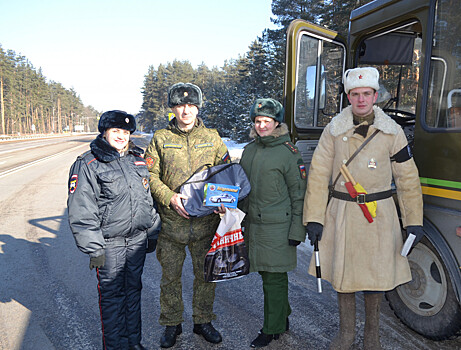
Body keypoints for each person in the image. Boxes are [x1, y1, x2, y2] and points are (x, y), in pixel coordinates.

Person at [303, 67, 424, 350]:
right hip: (343, 214)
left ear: (375, 95)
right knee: (345, 278)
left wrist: (413, 220)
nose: (361, 100)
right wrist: (314, 218)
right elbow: (319, 175)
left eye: (366, 94)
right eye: (355, 94)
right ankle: (346, 335)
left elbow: (407, 178)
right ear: (348, 96)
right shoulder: (333, 130)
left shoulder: (392, 132)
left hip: (379, 216)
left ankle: (373, 337)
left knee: (377, 277)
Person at [144, 82, 230, 348]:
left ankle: (203, 321)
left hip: (206, 224)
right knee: (170, 277)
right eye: (180, 105)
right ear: (172, 108)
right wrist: (168, 197)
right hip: (171, 225)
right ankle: (171, 324)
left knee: (206, 275)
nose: (186, 110)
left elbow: (225, 172)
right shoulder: (160, 139)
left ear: (197, 107)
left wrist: (222, 200)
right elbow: (150, 175)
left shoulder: (213, 138)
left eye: (191, 105)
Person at [67, 110, 161, 350]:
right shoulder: (88, 163)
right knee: (112, 298)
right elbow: (82, 210)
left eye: (126, 132)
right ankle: (115, 346)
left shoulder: (137, 160)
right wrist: (93, 248)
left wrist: (152, 231)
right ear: (105, 132)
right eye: (116, 131)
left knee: (133, 293)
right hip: (110, 244)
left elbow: (146, 199)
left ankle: (133, 342)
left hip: (137, 241)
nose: (121, 136)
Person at [239, 98, 307, 348]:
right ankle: (282, 315)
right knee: (269, 274)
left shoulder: (288, 153)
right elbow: (241, 188)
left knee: (273, 279)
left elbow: (299, 193)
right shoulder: (249, 150)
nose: (261, 126)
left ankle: (271, 328)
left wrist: (298, 229)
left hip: (279, 226)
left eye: (267, 121)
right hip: (254, 225)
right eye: (257, 121)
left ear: (276, 123)